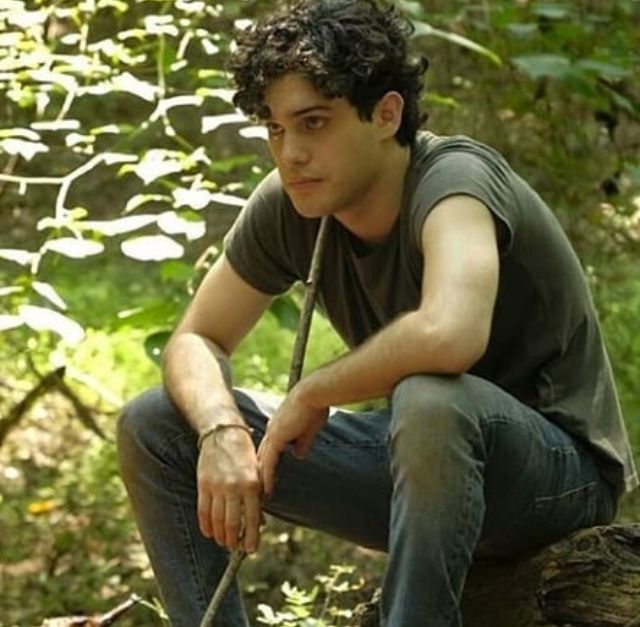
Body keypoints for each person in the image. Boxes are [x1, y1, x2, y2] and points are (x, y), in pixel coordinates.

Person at [116, 1, 638, 625]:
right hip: (423, 468)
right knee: (156, 421)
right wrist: (221, 431)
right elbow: (196, 338)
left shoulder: (455, 180)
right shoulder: (292, 202)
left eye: (313, 123)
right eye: (276, 129)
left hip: (557, 481)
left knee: (430, 400)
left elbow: (450, 334)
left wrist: (313, 392)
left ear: (386, 114)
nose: (290, 153)